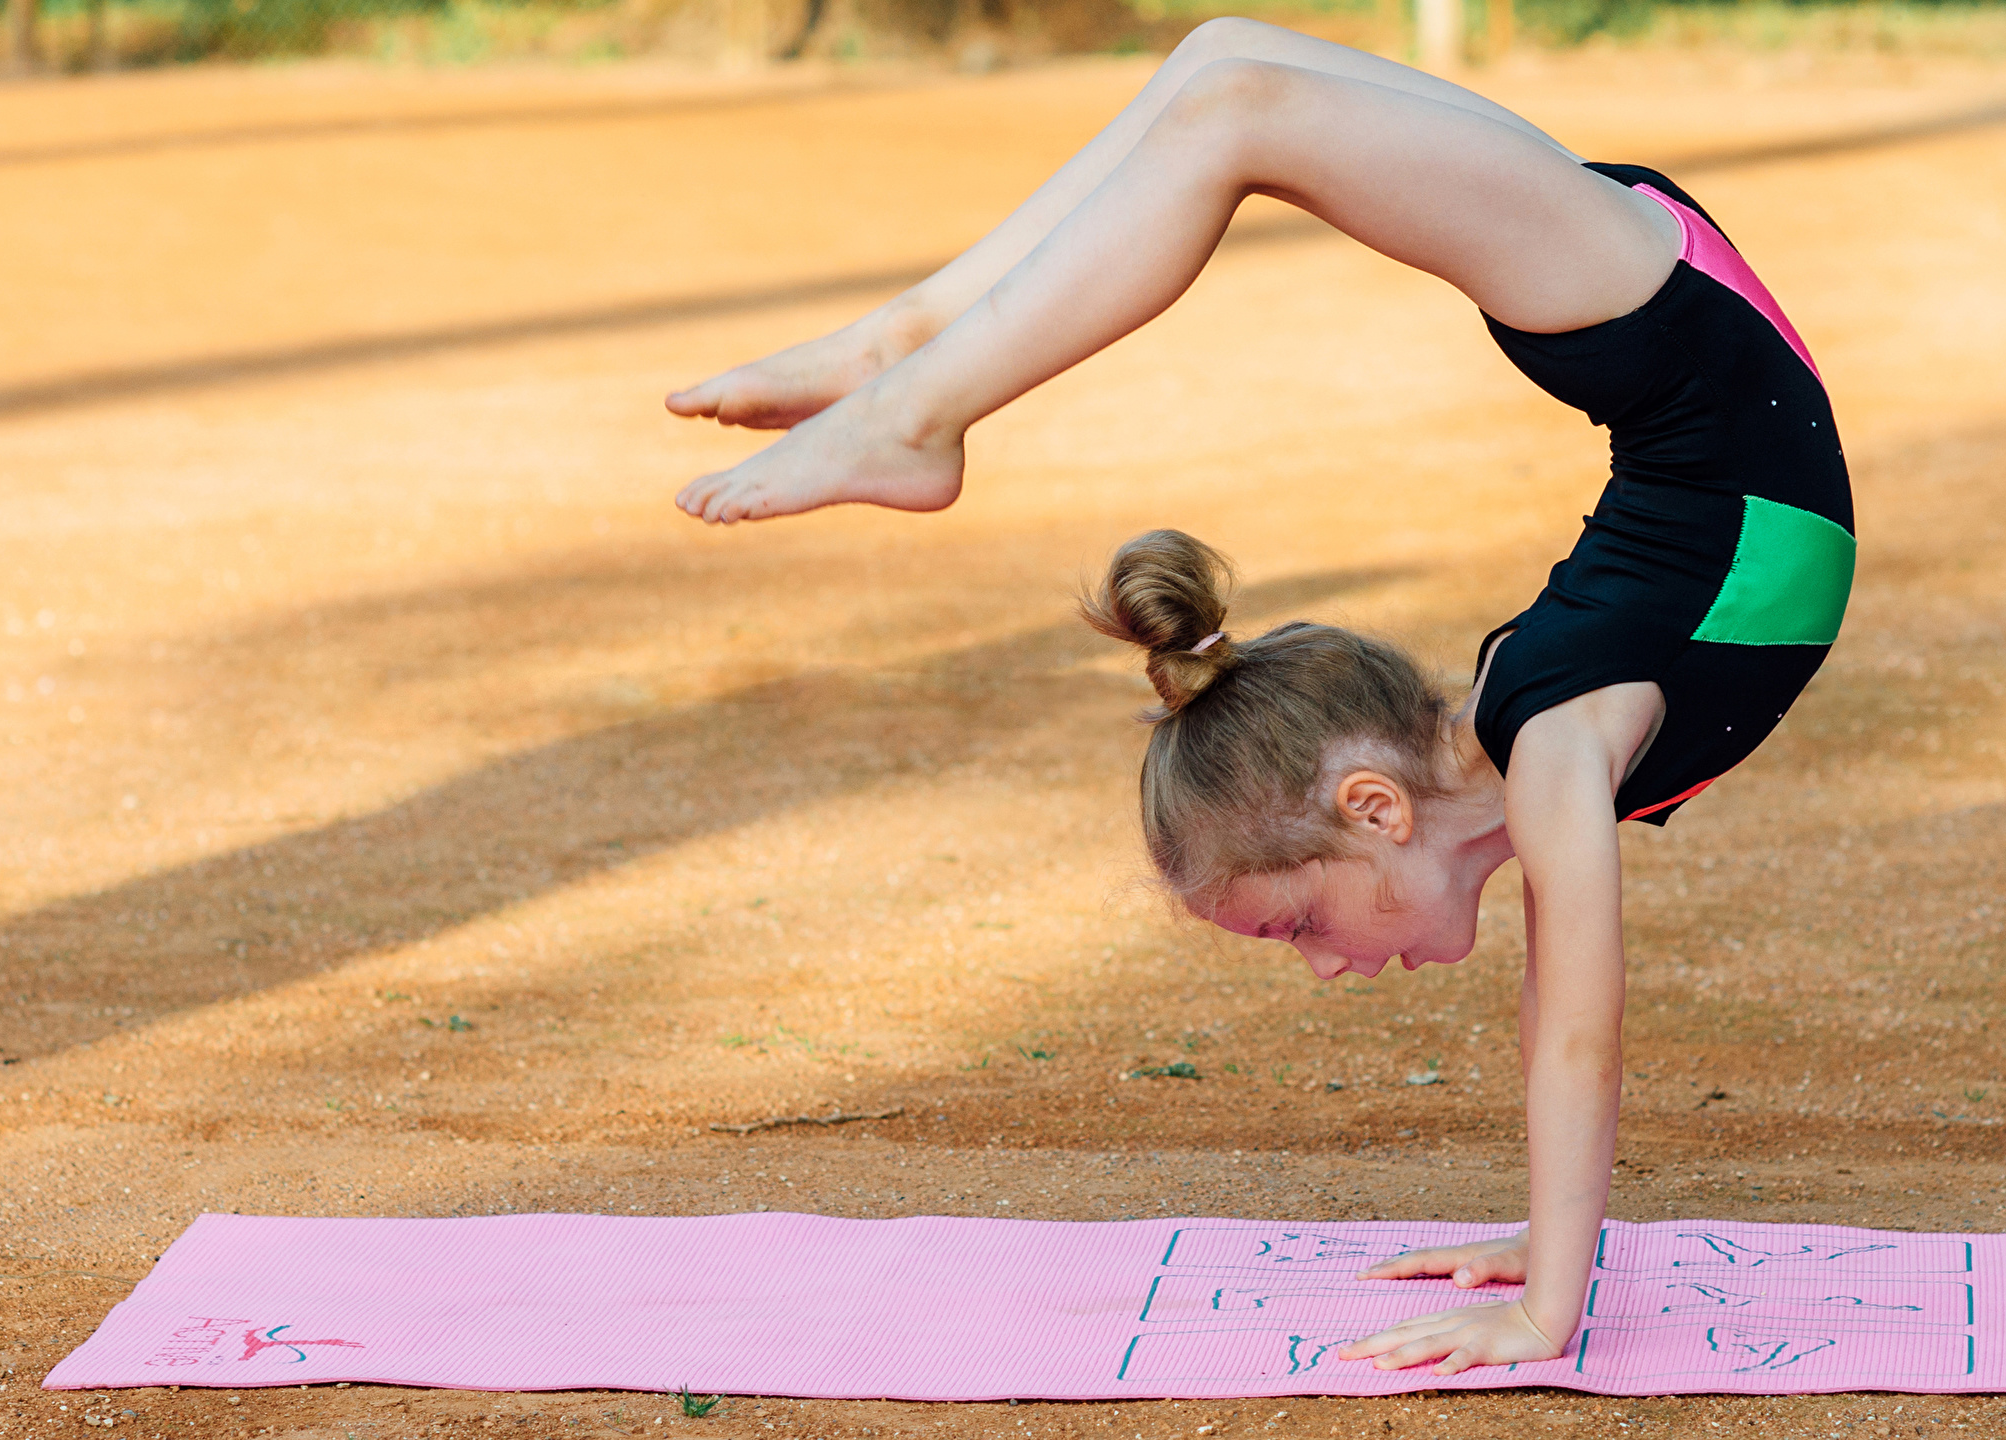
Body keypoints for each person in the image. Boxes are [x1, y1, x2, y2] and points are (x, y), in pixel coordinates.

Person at [663, 17, 1853, 1376]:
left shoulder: (1558, 747)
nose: (1326, 965)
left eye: (1296, 921)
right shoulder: (1537, 749)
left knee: (1238, 96)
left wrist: (1547, 1311)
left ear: (1372, 808)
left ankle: (918, 399)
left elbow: (1585, 1031)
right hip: (1660, 307)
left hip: (1659, 324)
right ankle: (912, 356)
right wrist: (1548, 1231)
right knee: (1222, 65)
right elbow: (1552, 1015)